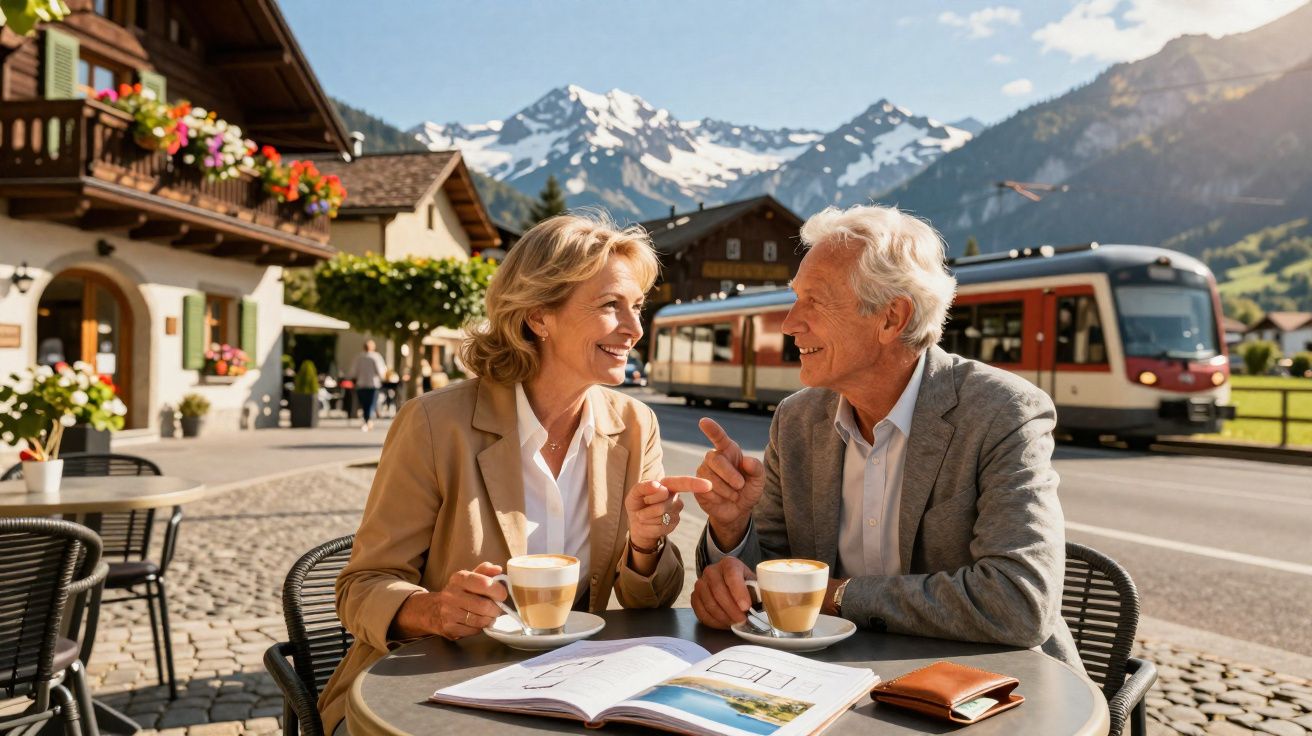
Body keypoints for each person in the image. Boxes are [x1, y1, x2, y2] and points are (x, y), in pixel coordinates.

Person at [317, 214, 710, 732]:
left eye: (636, 306)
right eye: (610, 305)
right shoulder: (436, 424)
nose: (635, 328)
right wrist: (434, 610)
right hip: (420, 694)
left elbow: (652, 602)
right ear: (538, 316)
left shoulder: (636, 426)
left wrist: (645, 546)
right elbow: (361, 587)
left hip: (563, 691)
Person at [691, 204, 1082, 671]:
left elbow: (1018, 603)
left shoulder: (1002, 412)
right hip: (827, 680)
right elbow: (768, 579)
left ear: (892, 318)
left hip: (986, 686)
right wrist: (733, 533)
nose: (790, 323)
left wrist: (834, 595)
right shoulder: (796, 420)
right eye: (795, 299)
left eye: (813, 301)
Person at [349, 340, 387, 431]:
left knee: (364, 404)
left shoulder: (359, 357)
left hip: (361, 384)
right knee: (371, 404)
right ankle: (368, 420)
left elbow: (353, 372)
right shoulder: (376, 357)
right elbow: (381, 371)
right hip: (373, 384)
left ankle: (366, 420)